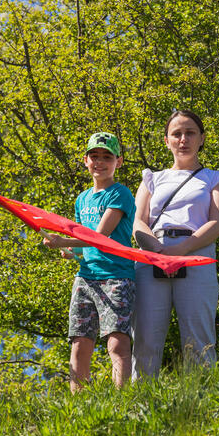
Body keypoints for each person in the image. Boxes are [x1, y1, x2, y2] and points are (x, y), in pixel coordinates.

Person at [132, 110, 219, 378]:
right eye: (176, 134)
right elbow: (138, 223)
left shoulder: (216, 178)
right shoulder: (152, 178)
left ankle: (202, 404)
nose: (183, 139)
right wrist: (159, 252)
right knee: (145, 336)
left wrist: (180, 251)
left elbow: (218, 222)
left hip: (196, 255)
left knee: (199, 337)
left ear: (201, 139)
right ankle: (139, 405)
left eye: (190, 133)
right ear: (166, 140)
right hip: (152, 257)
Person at [43, 132, 136, 391]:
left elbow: (100, 236)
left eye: (107, 157)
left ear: (119, 161)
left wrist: (63, 242)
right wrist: (74, 253)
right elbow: (85, 241)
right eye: (94, 156)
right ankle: (79, 406)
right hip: (86, 277)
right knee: (80, 344)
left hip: (116, 275)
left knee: (117, 341)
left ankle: (122, 399)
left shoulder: (121, 193)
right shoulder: (82, 199)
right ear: (85, 160)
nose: (100, 162)